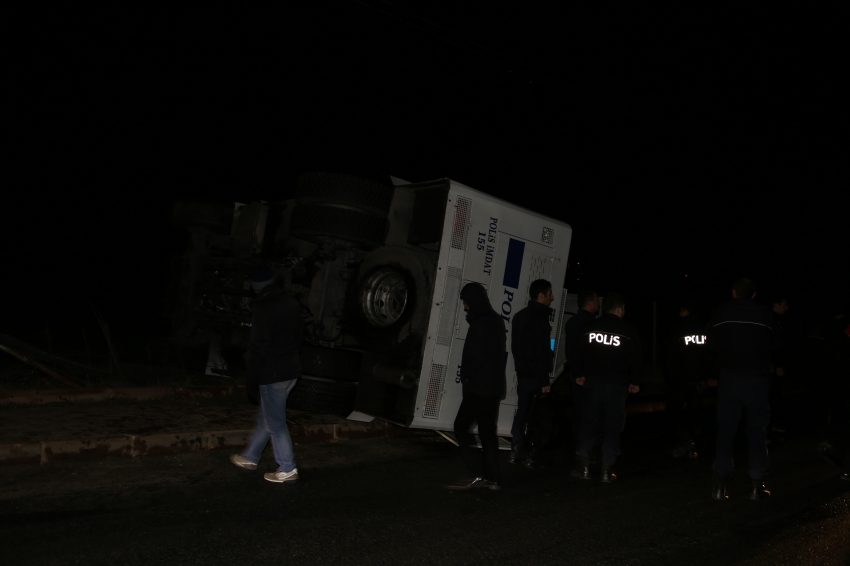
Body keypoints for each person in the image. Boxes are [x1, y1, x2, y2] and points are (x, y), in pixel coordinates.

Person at [707, 276, 779, 501]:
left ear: (734, 292)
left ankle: (720, 484)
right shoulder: (767, 315)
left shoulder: (720, 313)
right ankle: (757, 485)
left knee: (726, 430)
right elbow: (777, 346)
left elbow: (710, 345)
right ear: (754, 294)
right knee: (757, 431)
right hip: (756, 380)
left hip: (730, 379)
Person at [229, 266, 303, 484]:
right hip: (291, 370)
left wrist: (252, 375)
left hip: (273, 373)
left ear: (255, 287)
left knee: (275, 423)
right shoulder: (292, 303)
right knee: (267, 417)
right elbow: (300, 336)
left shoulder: (263, 307)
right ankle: (250, 457)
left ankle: (287, 468)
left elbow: (258, 346)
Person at [571, 292, 642, 482]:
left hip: (592, 384)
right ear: (619, 309)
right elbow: (636, 359)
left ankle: (584, 467)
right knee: (612, 427)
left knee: (588, 424)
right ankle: (606, 469)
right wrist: (635, 381)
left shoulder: (590, 327)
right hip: (616, 387)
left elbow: (577, 352)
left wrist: (579, 374)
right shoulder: (628, 331)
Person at [447, 282, 507, 491]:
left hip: (479, 387)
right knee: (487, 431)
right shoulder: (496, 321)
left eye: (466, 302)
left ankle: (477, 473)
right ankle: (493, 478)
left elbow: (475, 357)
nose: (465, 307)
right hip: (492, 388)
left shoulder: (480, 324)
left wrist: (467, 378)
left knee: (461, 427)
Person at [509, 279, 555, 467]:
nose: (552, 297)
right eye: (550, 293)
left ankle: (517, 448)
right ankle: (530, 452)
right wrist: (544, 378)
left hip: (523, 373)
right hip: (535, 376)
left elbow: (517, 347)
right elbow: (540, 351)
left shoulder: (520, 316)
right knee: (535, 416)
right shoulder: (540, 319)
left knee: (523, 411)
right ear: (541, 295)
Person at [665, 301, 711, 458]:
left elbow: (671, 353)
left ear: (684, 311)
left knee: (675, 411)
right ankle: (695, 443)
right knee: (696, 411)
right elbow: (710, 353)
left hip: (681, 377)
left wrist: (669, 376)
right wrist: (710, 375)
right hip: (699, 378)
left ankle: (684, 441)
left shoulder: (678, 327)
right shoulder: (704, 327)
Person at [562, 290, 600, 455]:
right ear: (590, 304)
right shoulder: (592, 325)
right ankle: (587, 448)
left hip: (576, 374)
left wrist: (576, 373)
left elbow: (570, 351)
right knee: (591, 412)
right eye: (597, 300)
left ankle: (579, 444)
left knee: (579, 411)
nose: (599, 304)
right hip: (588, 376)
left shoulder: (572, 322)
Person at [768, 294, 790, 435]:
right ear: (776, 305)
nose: (786, 308)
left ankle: (772, 424)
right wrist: (777, 366)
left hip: (776, 365)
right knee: (773, 397)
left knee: (775, 396)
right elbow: (773, 346)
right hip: (773, 367)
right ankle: (770, 425)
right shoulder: (772, 321)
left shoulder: (779, 320)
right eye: (784, 305)